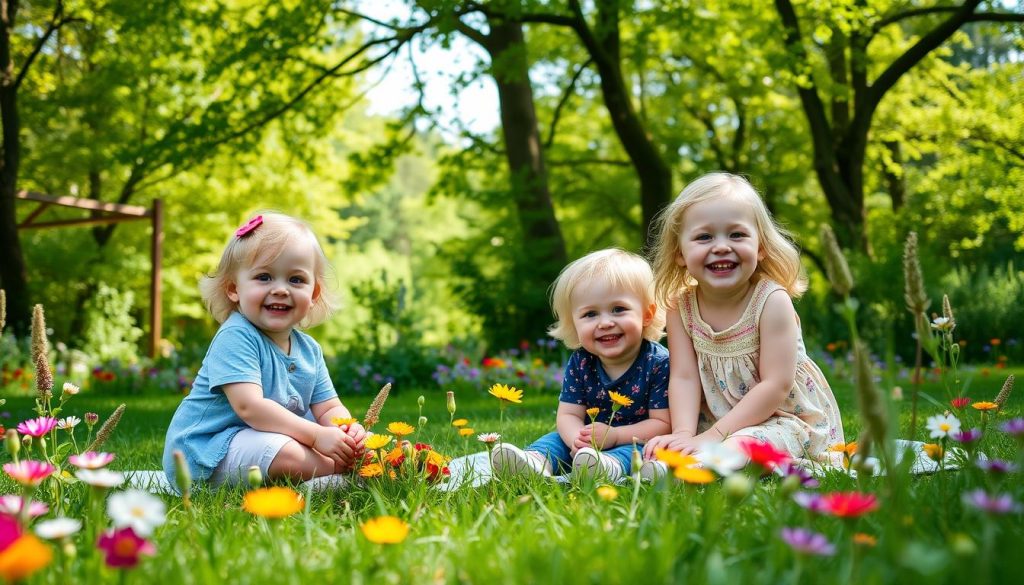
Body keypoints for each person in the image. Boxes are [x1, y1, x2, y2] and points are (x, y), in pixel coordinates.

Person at [643, 173, 844, 470]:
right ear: (679, 254)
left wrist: (713, 435)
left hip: (783, 420)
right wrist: (684, 433)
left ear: (761, 247)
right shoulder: (680, 306)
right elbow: (684, 377)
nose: (722, 246)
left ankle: (704, 465)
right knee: (668, 441)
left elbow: (776, 385)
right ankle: (684, 461)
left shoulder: (771, 301)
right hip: (715, 422)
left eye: (737, 235)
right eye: (704, 237)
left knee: (744, 445)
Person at [162, 212, 365, 488]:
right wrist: (318, 438)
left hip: (259, 442)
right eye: (264, 277)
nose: (280, 289)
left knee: (319, 445)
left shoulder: (309, 350)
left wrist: (346, 431)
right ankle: (339, 469)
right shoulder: (236, 336)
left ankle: (342, 463)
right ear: (234, 289)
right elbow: (250, 407)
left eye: (295, 280)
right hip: (206, 454)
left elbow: (328, 406)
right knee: (289, 452)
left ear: (314, 294)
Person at [490, 249, 671, 481]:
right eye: (590, 314)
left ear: (647, 314)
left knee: (639, 451)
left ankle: (608, 467)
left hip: (632, 439)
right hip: (586, 438)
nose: (605, 322)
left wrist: (614, 436)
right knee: (555, 440)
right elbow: (568, 414)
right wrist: (578, 439)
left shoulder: (658, 363)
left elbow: (663, 424)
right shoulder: (581, 361)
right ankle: (535, 462)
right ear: (573, 324)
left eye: (619, 309)